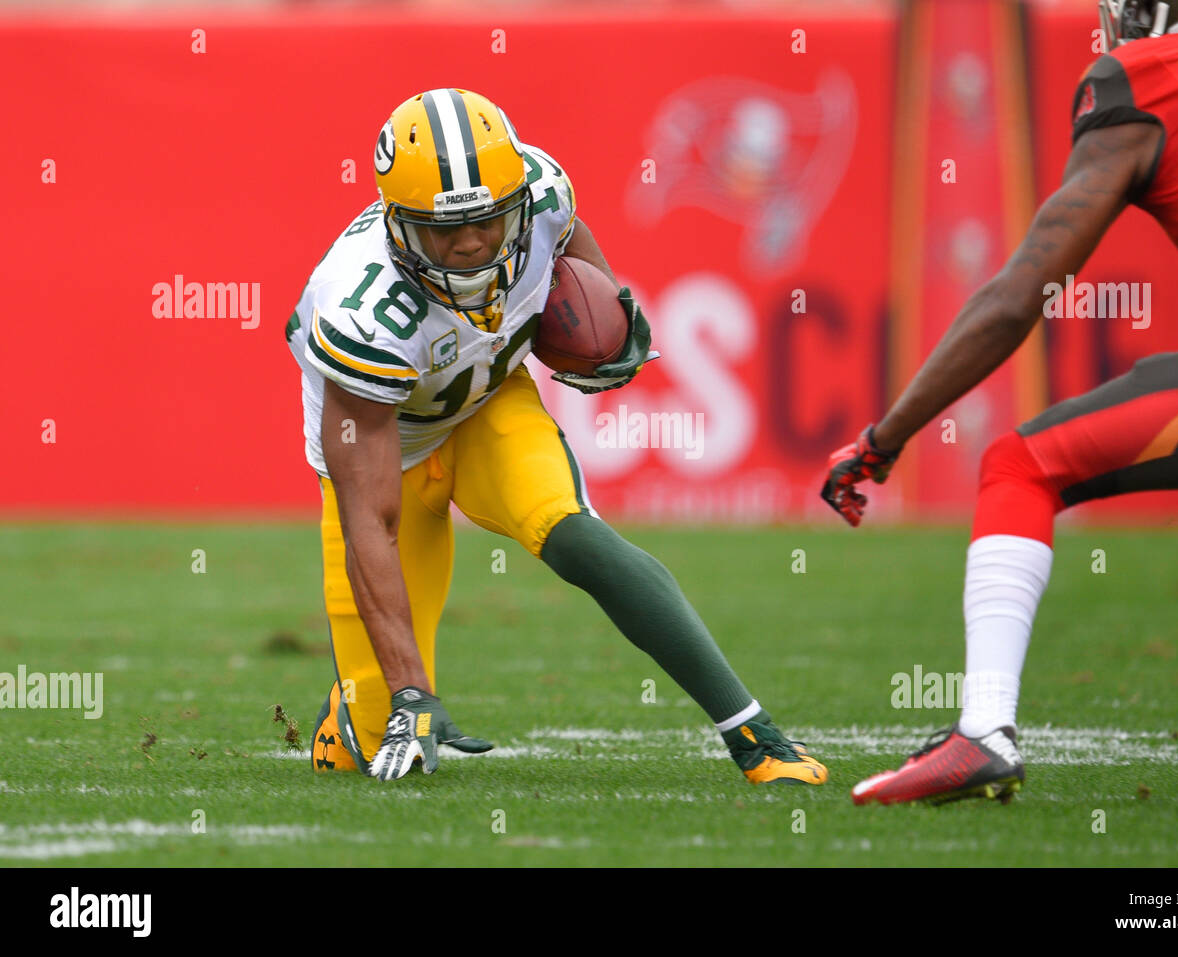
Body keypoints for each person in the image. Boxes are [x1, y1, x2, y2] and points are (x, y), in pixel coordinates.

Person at [821, 1, 1178, 805]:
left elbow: (1019, 295)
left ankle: (983, 731)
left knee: (1022, 463)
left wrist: (886, 434)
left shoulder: (1142, 77)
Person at [286, 88, 827, 784]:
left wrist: (607, 323)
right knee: (372, 739)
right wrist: (411, 691)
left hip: (488, 407)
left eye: (488, 218)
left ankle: (753, 733)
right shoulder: (362, 314)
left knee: (572, 531)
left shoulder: (539, 192)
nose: (474, 241)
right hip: (396, 446)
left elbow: (571, 248)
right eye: (444, 229)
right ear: (398, 225)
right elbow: (371, 521)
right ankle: (348, 714)